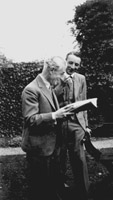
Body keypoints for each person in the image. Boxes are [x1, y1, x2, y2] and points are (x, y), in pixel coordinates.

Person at [21, 56, 73, 200]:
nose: (64, 76)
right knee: (41, 189)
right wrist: (54, 115)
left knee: (52, 187)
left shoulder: (48, 86)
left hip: (51, 147)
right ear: (51, 70)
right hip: (39, 150)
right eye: (61, 73)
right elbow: (30, 120)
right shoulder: (31, 89)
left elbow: (49, 107)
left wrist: (62, 112)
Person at [54, 51, 91, 200]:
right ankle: (60, 189)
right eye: (70, 63)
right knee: (59, 158)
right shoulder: (55, 77)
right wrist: (62, 83)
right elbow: (51, 98)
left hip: (76, 124)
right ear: (65, 62)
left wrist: (86, 126)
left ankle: (84, 193)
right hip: (59, 124)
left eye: (76, 64)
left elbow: (84, 103)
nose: (73, 66)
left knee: (79, 159)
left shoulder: (81, 79)